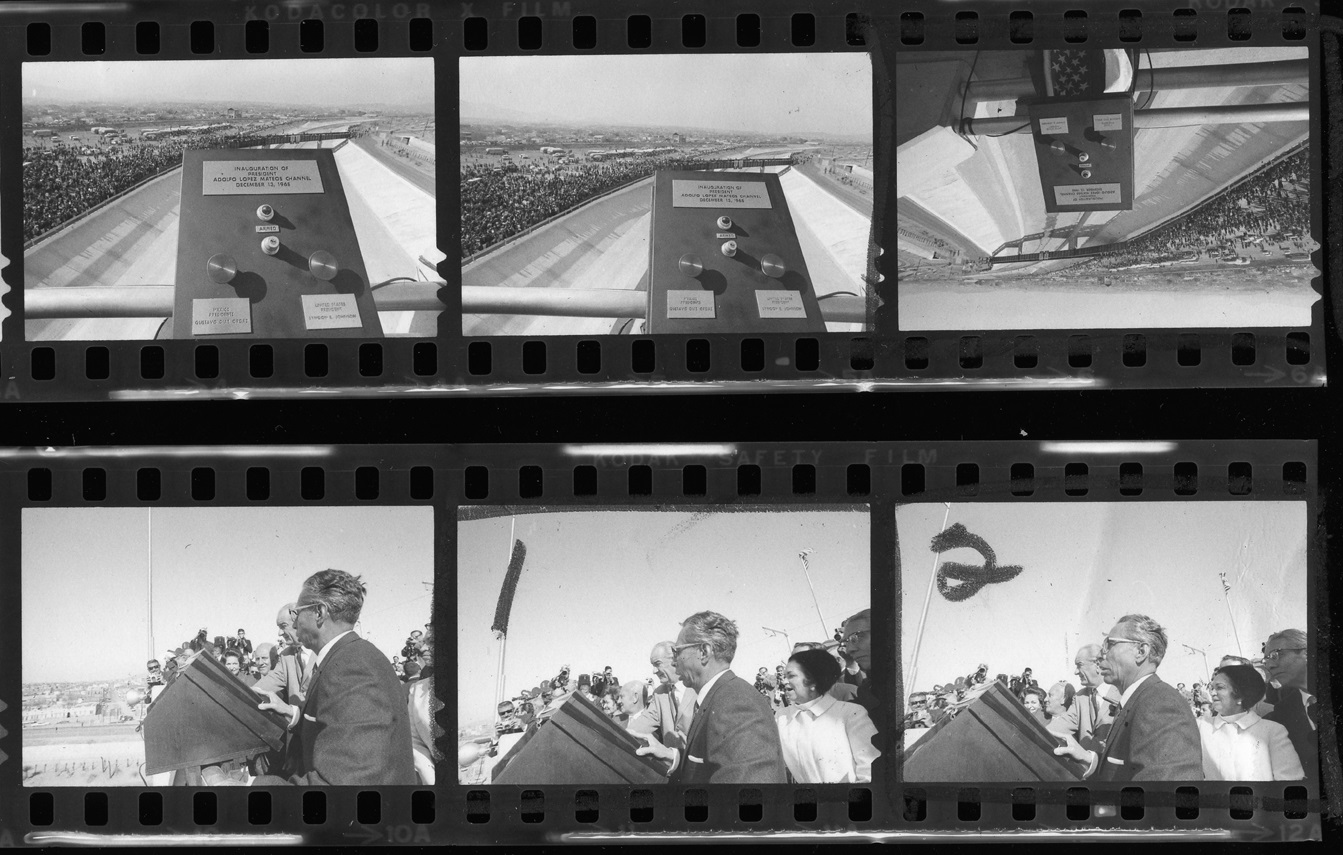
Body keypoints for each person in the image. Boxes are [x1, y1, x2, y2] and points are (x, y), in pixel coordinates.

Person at [248, 570, 415, 786]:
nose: (295, 622)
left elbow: (339, 782)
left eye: (297, 613)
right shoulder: (346, 657)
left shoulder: (351, 665)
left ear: (319, 612)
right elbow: (339, 722)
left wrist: (247, 787)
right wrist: (293, 714)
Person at [634, 611, 787, 784]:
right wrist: (673, 757)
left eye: (678, 652)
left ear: (704, 652)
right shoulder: (720, 696)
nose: (675, 661)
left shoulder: (736, 703)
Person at [1054, 614, 1202, 781]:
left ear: (1141, 652)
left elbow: (1164, 793)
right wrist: (1089, 758)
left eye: (1109, 644)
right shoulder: (1139, 699)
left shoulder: (1161, 703)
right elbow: (1125, 769)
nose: (1102, 654)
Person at [775, 649, 879, 783]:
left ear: (813, 681)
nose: (783, 682)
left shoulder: (851, 713)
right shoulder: (781, 718)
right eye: (783, 676)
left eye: (791, 676)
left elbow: (870, 771)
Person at [1198, 665, 1303, 780]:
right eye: (1212, 688)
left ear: (1240, 695)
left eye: (1220, 688)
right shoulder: (1202, 727)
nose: (1212, 693)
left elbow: (1290, 780)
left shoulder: (1273, 731)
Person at [1262, 628, 1317, 778]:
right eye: (1266, 659)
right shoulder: (1282, 714)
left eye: (1276, 655)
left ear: (1307, 653)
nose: (1270, 665)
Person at [1048, 644, 1120, 750]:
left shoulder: (1121, 692)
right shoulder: (1080, 697)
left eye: (1079, 665)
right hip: (1086, 765)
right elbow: (1062, 725)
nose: (1076, 672)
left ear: (1098, 664)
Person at [628, 641, 696, 754]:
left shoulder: (699, 688)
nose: (654, 671)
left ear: (675, 659)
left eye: (657, 664)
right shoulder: (659, 693)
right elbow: (638, 728)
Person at [252, 603, 316, 708]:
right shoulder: (285, 656)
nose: (280, 633)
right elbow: (264, 686)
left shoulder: (324, 650)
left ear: (299, 622)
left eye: (283, 626)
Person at [408, 628, 439, 785]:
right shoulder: (417, 689)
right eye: (424, 643)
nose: (424, 648)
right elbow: (415, 743)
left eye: (431, 643)